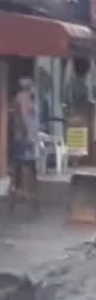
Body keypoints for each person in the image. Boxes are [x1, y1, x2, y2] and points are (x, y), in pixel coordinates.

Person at [7, 78, 39, 211]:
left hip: (19, 136)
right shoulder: (24, 97)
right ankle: (24, 191)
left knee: (19, 164)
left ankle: (16, 189)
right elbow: (25, 117)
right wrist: (29, 134)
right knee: (26, 164)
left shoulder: (18, 98)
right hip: (24, 137)